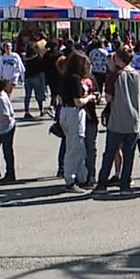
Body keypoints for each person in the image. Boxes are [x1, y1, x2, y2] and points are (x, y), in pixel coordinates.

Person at [94, 47, 140, 197]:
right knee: (129, 154)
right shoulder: (137, 74)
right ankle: (125, 185)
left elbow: (108, 97)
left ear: (119, 60)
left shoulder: (114, 76)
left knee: (109, 153)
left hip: (117, 119)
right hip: (133, 118)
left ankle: (102, 184)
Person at [59, 52, 96, 194]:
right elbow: (78, 101)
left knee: (77, 146)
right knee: (74, 147)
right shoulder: (75, 79)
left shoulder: (64, 77)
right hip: (74, 112)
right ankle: (70, 180)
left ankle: (81, 176)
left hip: (65, 111)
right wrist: (90, 97)